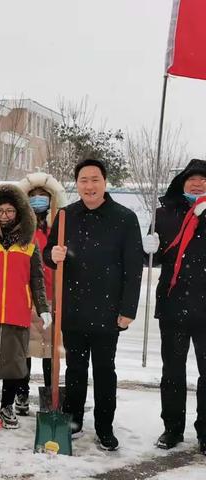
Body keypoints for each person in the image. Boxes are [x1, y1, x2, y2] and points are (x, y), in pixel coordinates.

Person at [43, 159, 143, 451]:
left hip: (108, 311)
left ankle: (104, 427)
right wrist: (54, 255)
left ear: (104, 182)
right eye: (84, 180)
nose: (89, 186)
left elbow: (133, 268)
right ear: (77, 184)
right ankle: (72, 422)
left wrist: (128, 310)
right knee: (74, 370)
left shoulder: (124, 218)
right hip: (73, 309)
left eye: (95, 179)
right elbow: (48, 253)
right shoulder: (65, 216)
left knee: (104, 370)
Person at [0, 184, 50, 429]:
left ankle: (6, 407)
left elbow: (37, 278)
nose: (5, 216)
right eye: (0, 211)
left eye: (10, 211)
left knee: (14, 364)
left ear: (19, 213)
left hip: (16, 311)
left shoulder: (29, 242)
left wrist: (43, 307)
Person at [142, 159, 206, 455]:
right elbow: (148, 259)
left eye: (203, 180)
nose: (197, 184)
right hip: (173, 304)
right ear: (182, 183)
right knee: (172, 372)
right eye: (191, 179)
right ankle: (172, 428)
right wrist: (148, 247)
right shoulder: (163, 214)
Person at [16, 172, 68, 416]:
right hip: (26, 297)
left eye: (42, 196)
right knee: (25, 348)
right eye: (33, 196)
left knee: (50, 349)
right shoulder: (21, 229)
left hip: (52, 295)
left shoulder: (59, 227)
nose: (38, 200)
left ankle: (51, 393)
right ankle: (21, 392)